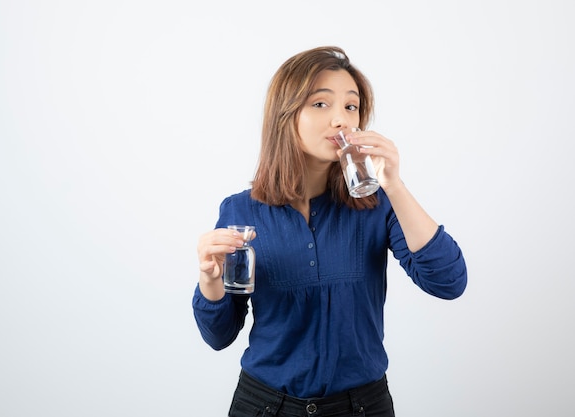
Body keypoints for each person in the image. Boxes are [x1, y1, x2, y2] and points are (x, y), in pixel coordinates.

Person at [192, 45, 467, 417]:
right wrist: (210, 283)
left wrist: (395, 186)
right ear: (285, 116)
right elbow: (218, 336)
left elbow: (448, 282)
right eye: (320, 104)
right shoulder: (240, 209)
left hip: (363, 407)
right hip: (264, 406)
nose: (341, 120)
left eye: (350, 107)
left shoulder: (377, 205)